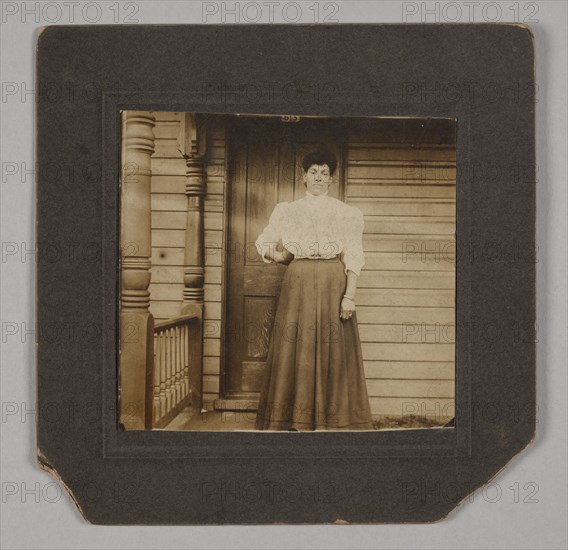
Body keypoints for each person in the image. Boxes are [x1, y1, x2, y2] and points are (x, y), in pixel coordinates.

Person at [254, 146, 374, 431]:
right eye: (313, 172)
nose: (319, 178)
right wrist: (282, 256)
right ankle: (293, 420)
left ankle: (333, 421)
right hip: (299, 282)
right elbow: (263, 241)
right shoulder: (288, 211)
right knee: (297, 346)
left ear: (331, 178)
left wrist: (350, 296)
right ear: (303, 177)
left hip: (334, 282)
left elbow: (354, 254)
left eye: (324, 173)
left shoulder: (345, 213)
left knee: (333, 348)